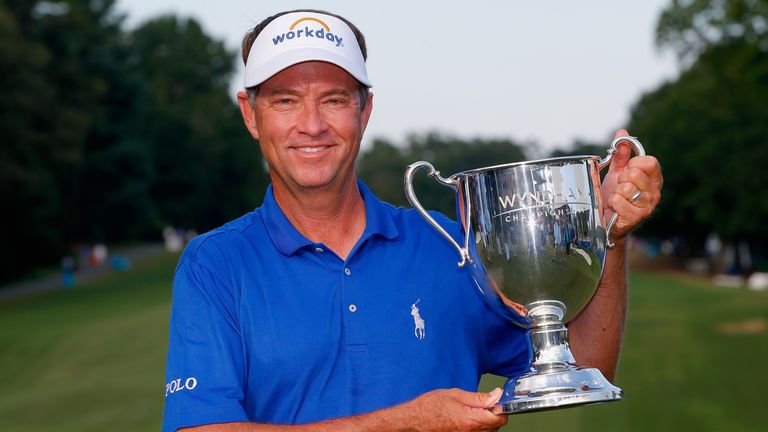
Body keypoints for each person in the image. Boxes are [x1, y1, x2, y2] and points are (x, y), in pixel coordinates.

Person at [162, 9, 663, 432]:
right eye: (285, 100)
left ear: (365, 109)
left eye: (334, 99)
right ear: (251, 114)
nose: (311, 124)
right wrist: (404, 421)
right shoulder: (216, 264)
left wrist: (609, 238)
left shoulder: (447, 245)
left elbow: (586, 366)